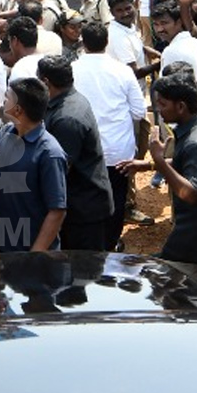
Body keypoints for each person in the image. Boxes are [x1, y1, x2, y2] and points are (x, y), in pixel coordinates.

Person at [120, 73, 197, 266]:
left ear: (181, 106)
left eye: (162, 104)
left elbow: (191, 193)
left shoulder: (196, 143)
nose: (158, 110)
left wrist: (159, 161)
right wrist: (147, 165)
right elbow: (190, 163)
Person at [73, 21, 147, 250]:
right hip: (118, 152)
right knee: (115, 199)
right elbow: (139, 111)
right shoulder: (123, 71)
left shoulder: (72, 69)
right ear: (107, 42)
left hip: (83, 150)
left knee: (83, 198)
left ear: (82, 43)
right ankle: (111, 244)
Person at [0, 78, 68, 253]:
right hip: (3, 245)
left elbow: (57, 211)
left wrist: (36, 254)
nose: (3, 102)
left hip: (32, 254)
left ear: (18, 109)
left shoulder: (49, 153)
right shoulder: (7, 133)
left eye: (7, 98)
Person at [37, 55, 114, 251]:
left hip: (84, 211)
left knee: (83, 272)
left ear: (46, 82)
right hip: (81, 203)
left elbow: (59, 171)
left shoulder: (67, 119)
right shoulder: (66, 101)